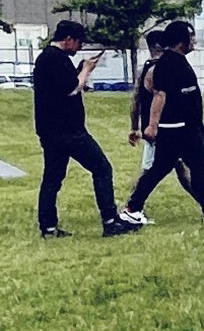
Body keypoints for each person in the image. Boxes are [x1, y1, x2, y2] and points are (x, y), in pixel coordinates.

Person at [33, 20, 141, 239]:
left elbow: (66, 84)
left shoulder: (46, 58)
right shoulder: (56, 59)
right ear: (68, 39)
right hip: (68, 131)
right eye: (79, 42)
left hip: (49, 130)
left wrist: (82, 71)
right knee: (102, 168)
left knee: (52, 177)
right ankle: (110, 221)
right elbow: (70, 88)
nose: (79, 47)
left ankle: (48, 227)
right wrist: (86, 70)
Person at [123, 20, 204, 231]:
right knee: (189, 170)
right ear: (181, 41)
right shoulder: (167, 65)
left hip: (186, 128)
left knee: (170, 169)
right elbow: (159, 96)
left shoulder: (178, 62)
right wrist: (152, 126)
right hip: (179, 130)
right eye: (191, 37)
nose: (194, 41)